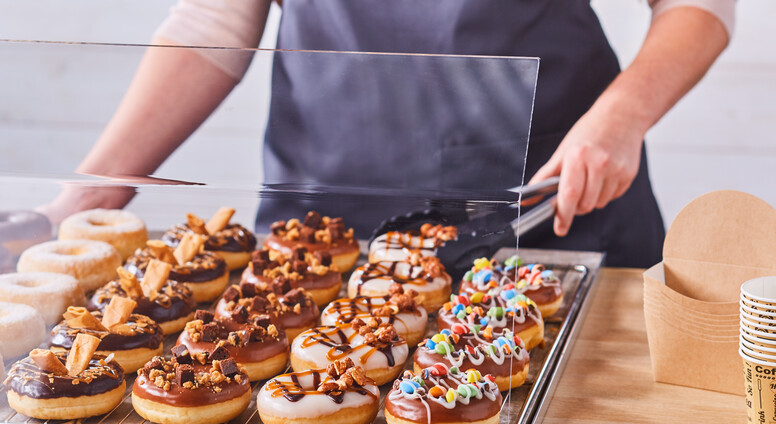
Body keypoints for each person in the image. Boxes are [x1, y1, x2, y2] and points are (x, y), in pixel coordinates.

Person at [40, 0, 734, 267]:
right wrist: (82, 198)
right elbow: (213, 25)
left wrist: (621, 118)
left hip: (550, 218)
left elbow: (699, 6)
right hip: (323, 237)